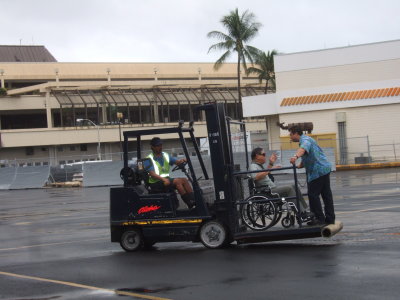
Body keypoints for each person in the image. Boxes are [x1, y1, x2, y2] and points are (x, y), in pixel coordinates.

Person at [289, 126, 335, 225]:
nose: (290, 137)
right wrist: (300, 165)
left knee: (313, 195)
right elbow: (307, 155)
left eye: (291, 134)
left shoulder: (304, 140)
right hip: (324, 169)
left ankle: (319, 219)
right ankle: (330, 219)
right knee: (326, 195)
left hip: (317, 171)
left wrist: (295, 156)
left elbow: (303, 149)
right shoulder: (308, 139)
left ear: (296, 133)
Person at [249, 147, 309, 215]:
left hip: (270, 190)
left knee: (294, 186)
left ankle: (304, 209)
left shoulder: (258, 166)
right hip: (267, 192)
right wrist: (270, 167)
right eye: (263, 154)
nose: (265, 156)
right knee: (289, 189)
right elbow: (256, 177)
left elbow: (264, 173)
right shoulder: (253, 166)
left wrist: (271, 165)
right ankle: (301, 213)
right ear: (257, 156)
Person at [144, 137, 195, 209]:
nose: (160, 147)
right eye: (158, 146)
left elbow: (176, 162)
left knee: (184, 180)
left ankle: (194, 201)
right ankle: (190, 204)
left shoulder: (165, 155)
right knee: (178, 182)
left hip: (166, 179)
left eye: (161, 145)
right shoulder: (148, 159)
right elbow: (152, 173)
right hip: (156, 182)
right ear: (152, 147)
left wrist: (182, 161)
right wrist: (163, 179)